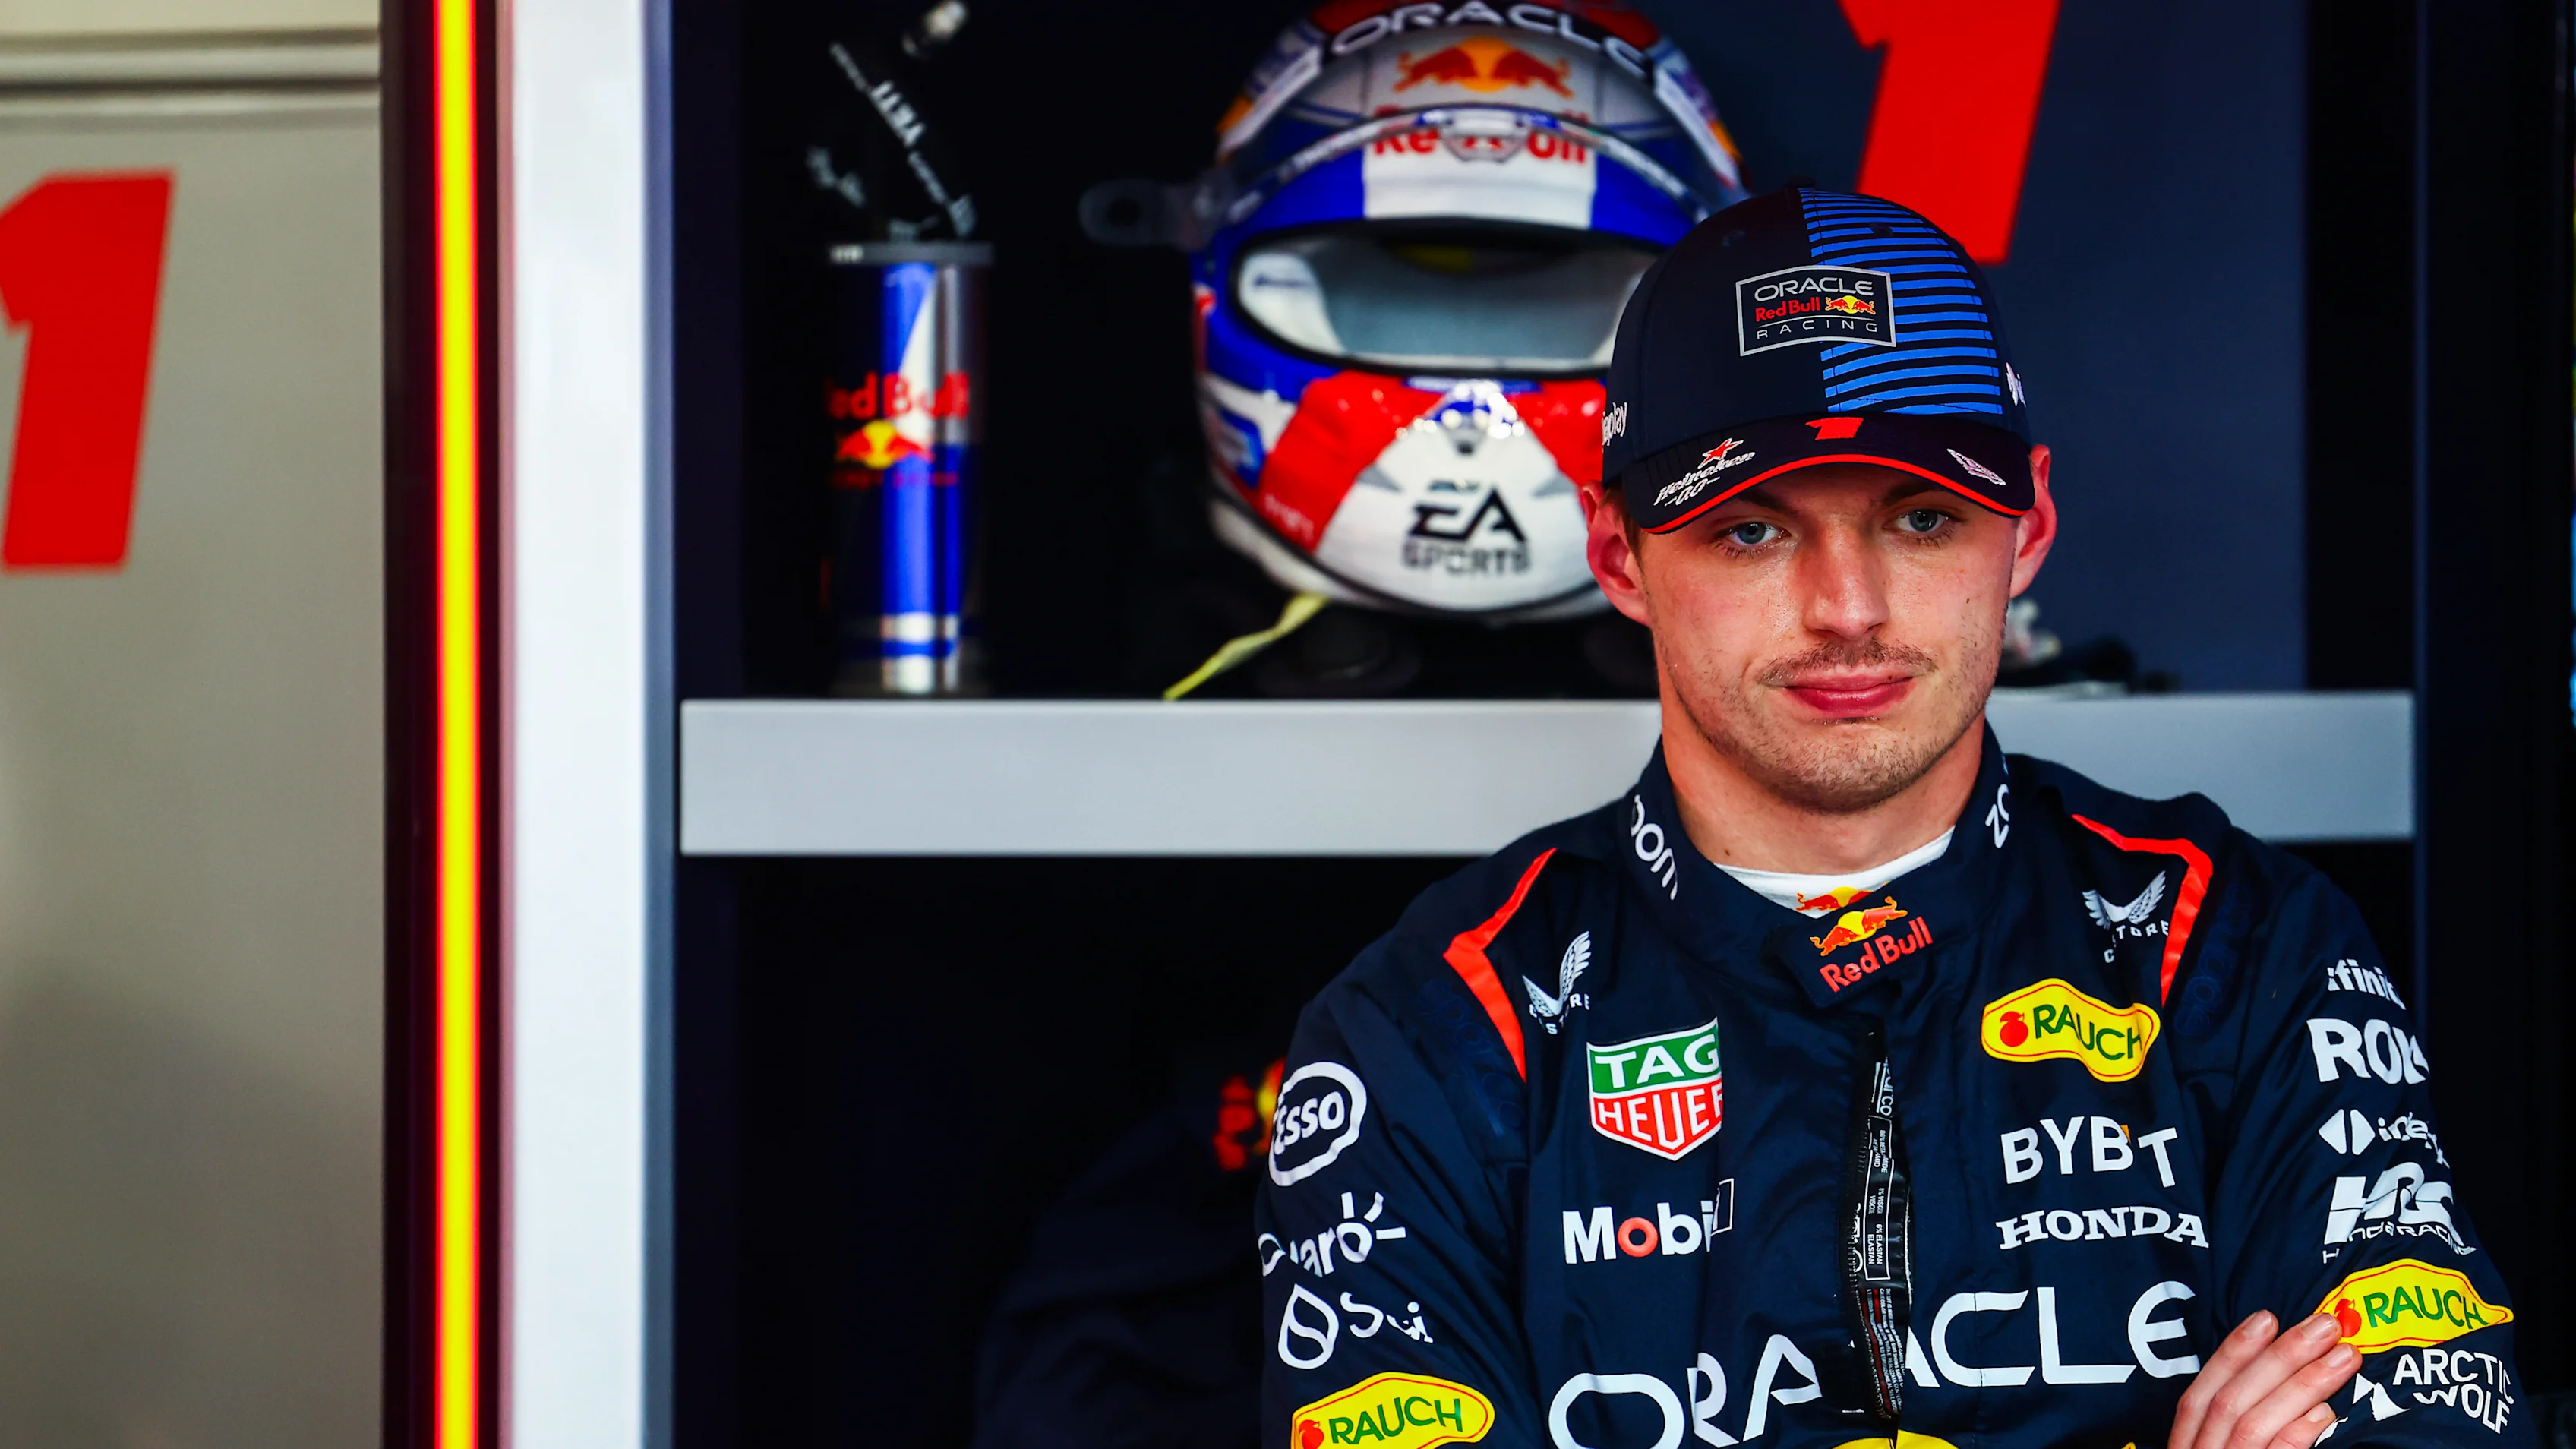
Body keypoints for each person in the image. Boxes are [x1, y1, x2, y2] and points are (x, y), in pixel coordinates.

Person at [1255, 188, 2529, 1449]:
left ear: (2026, 526)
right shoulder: (1431, 1031)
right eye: (1750, 530)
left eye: (1923, 519)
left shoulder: (2238, 951)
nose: (1848, 608)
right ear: (1619, 553)